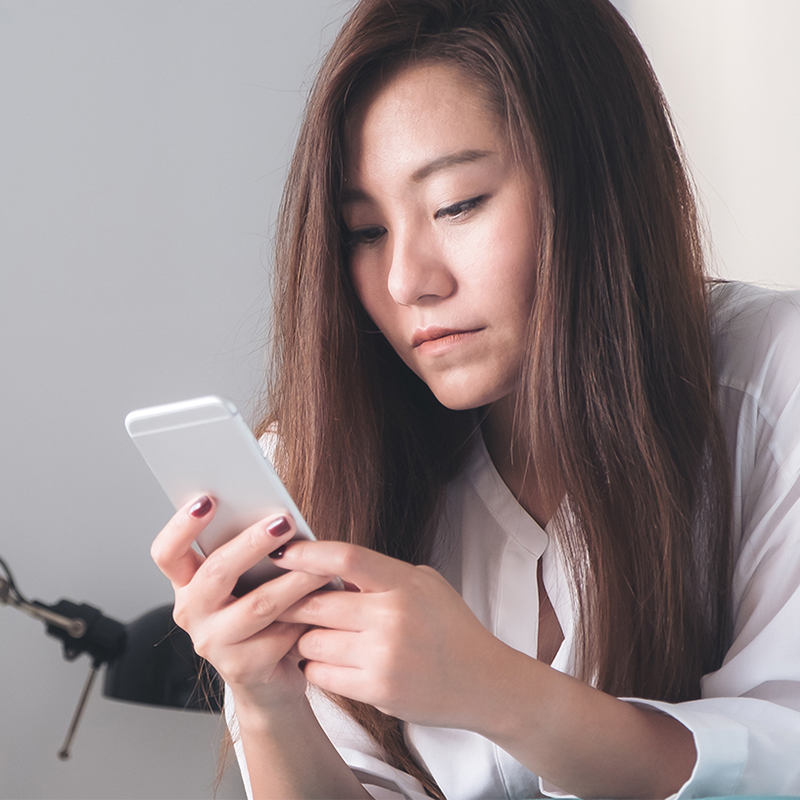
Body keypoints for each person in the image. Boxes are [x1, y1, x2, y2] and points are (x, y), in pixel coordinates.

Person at [150, 0, 800, 797]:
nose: (406, 282)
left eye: (456, 205)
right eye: (365, 231)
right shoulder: (325, 459)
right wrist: (265, 697)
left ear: (594, 182)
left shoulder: (772, 375)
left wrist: (493, 689)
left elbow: (781, 760)